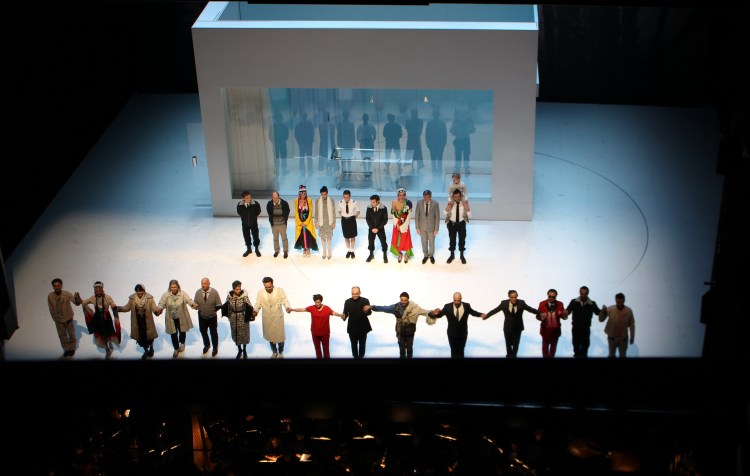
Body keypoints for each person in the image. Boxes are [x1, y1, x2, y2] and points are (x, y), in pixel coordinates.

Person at [366, 292, 436, 359]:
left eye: (405, 300)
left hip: (410, 332)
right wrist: (371, 307)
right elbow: (384, 308)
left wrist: (433, 313)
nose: (403, 302)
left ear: (408, 299)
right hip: (400, 332)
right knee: (402, 350)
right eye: (402, 300)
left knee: (409, 349)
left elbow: (426, 312)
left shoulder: (415, 308)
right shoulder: (396, 307)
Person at [483, 290, 540, 358]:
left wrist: (540, 313)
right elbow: (495, 310)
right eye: (512, 297)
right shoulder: (504, 303)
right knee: (508, 345)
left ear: (517, 296)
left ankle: (514, 356)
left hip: (518, 327)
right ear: (509, 297)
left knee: (515, 345)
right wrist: (487, 316)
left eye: (515, 297)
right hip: (507, 327)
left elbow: (531, 309)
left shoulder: (521, 303)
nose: (514, 299)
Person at [288, 294, 345, 359]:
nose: (317, 304)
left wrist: (340, 315)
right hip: (315, 333)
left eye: (318, 302)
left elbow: (333, 313)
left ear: (321, 301)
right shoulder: (312, 308)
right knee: (317, 350)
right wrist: (292, 309)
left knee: (326, 350)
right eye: (315, 302)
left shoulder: (327, 308)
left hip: (325, 334)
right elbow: (302, 309)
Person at [430, 292, 485, 359]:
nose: (456, 302)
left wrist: (481, 314)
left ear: (461, 299)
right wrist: (434, 314)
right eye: (455, 300)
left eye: (458, 300)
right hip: (451, 334)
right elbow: (440, 315)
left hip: (463, 334)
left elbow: (473, 312)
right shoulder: (447, 307)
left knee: (461, 351)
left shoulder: (466, 306)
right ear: (453, 299)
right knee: (453, 352)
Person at [76, 281, 120, 359]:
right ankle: (107, 350)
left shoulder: (107, 297)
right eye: (96, 289)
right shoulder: (93, 298)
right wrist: (79, 299)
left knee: (108, 331)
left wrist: (113, 305)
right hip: (98, 319)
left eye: (99, 289)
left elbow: (112, 303)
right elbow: (84, 302)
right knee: (101, 333)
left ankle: (110, 343)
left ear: (102, 289)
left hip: (106, 318)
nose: (98, 291)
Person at [253, 276, 292, 359]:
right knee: (270, 336)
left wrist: (287, 307)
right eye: (266, 287)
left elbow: (284, 300)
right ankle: (274, 352)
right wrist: (255, 310)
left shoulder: (279, 291)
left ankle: (280, 352)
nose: (268, 289)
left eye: (269, 287)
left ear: (272, 284)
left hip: (277, 317)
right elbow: (258, 303)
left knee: (280, 337)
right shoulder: (260, 292)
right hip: (267, 318)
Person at [117, 283, 158, 360]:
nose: (139, 293)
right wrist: (118, 308)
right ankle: (146, 351)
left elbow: (154, 307)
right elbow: (127, 308)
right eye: (137, 291)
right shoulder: (132, 299)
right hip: (137, 323)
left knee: (150, 337)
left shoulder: (149, 298)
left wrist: (157, 310)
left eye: (140, 291)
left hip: (147, 322)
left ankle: (151, 348)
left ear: (143, 291)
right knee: (141, 338)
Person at [156, 279, 195, 358]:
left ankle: (182, 343)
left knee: (182, 331)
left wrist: (193, 304)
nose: (173, 289)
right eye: (172, 287)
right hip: (171, 318)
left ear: (178, 287)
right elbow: (161, 303)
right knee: (173, 333)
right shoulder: (166, 295)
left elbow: (188, 300)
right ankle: (176, 348)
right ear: (169, 287)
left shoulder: (182, 294)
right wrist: (159, 308)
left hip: (181, 317)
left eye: (175, 287)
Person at [47, 278, 79, 358]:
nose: (57, 287)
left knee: (71, 334)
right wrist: (55, 319)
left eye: (58, 285)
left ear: (61, 286)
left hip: (68, 319)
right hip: (58, 321)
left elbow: (76, 303)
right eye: (55, 286)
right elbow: (51, 308)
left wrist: (77, 299)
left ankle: (72, 348)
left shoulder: (67, 294)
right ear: (53, 287)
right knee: (62, 336)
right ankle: (66, 349)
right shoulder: (50, 296)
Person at [565, 286, 600, 358]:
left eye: (585, 294)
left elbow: (598, 312)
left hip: (586, 329)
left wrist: (604, 311)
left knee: (585, 347)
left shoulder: (592, 304)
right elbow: (568, 310)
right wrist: (565, 312)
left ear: (587, 294)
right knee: (576, 347)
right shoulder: (574, 302)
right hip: (576, 329)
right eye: (582, 294)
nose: (583, 295)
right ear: (579, 293)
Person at [598, 292, 635, 358]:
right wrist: (603, 312)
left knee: (623, 355)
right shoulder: (610, 310)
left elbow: (632, 325)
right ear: (615, 300)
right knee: (611, 355)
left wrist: (632, 337)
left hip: (623, 339)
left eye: (621, 302)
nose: (619, 304)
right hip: (612, 338)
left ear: (624, 300)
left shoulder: (628, 311)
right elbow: (601, 320)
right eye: (618, 302)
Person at [194, 277, 223, 357]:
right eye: (202, 283)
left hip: (212, 317)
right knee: (203, 332)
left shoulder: (214, 292)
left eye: (205, 283)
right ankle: (207, 345)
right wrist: (195, 306)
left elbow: (219, 304)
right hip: (201, 317)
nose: (203, 285)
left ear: (209, 284)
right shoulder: (198, 292)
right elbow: (195, 303)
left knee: (213, 333)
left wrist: (214, 309)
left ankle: (215, 348)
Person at [341, 286, 373, 359]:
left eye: (356, 293)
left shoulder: (365, 300)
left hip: (363, 327)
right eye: (353, 294)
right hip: (352, 327)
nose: (354, 295)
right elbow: (345, 313)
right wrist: (343, 316)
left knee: (362, 345)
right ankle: (355, 358)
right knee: (353, 345)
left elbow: (369, 313)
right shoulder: (347, 302)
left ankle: (361, 358)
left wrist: (366, 311)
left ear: (360, 293)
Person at [224, 279, 253, 359]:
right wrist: (229, 316)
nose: (239, 290)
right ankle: (239, 350)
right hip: (234, 318)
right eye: (237, 289)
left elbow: (249, 305)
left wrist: (250, 313)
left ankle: (244, 349)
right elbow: (227, 306)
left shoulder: (244, 296)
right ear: (233, 289)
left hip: (243, 318)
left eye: (239, 288)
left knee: (244, 334)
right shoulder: (229, 297)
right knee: (236, 334)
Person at [537, 289, 568, 358]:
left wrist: (564, 315)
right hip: (545, 331)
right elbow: (537, 316)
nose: (551, 298)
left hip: (555, 331)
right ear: (547, 295)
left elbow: (563, 317)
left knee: (553, 351)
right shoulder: (542, 304)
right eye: (550, 296)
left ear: (556, 296)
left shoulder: (560, 304)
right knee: (545, 350)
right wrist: (542, 317)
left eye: (553, 297)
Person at [414, 189, 440, 264]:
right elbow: (416, 216)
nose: (426, 199)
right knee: (424, 242)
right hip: (422, 227)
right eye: (424, 197)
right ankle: (425, 255)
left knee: (431, 243)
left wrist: (436, 229)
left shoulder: (435, 204)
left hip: (431, 228)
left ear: (430, 197)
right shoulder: (419, 203)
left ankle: (431, 255)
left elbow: (437, 217)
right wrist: (417, 228)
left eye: (427, 197)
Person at [445, 188, 469, 264]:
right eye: (455, 197)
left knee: (462, 240)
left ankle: (462, 256)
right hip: (452, 224)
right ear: (453, 197)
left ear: (460, 196)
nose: (457, 198)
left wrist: (467, 208)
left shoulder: (464, 204)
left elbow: (469, 215)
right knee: (452, 240)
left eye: (458, 196)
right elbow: (444, 213)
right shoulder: (451, 203)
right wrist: (447, 208)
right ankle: (452, 255)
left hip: (461, 224)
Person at [390, 187, 414, 263]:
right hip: (397, 224)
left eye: (403, 195)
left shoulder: (409, 203)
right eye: (400, 195)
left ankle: (407, 254)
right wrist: (397, 224)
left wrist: (404, 226)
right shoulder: (394, 202)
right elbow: (393, 215)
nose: (401, 196)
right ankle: (399, 253)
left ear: (405, 195)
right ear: (398, 195)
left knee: (406, 239)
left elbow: (409, 216)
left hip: (405, 223)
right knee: (397, 239)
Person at [293, 185, 318, 257]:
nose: (303, 195)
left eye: (304, 193)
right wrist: (300, 222)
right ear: (299, 193)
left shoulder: (309, 200)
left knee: (308, 235)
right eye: (301, 193)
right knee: (301, 235)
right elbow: (296, 212)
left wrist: (306, 222)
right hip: (300, 222)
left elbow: (310, 212)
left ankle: (308, 249)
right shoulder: (296, 201)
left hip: (308, 222)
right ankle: (304, 248)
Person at [450, 108, 475, 174]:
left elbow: (451, 130)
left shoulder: (456, 122)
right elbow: (473, 130)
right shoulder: (468, 122)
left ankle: (457, 169)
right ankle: (466, 169)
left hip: (458, 139)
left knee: (458, 155)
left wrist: (455, 132)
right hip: (466, 139)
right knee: (466, 155)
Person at [266, 190, 290, 258]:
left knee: (284, 238)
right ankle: (276, 250)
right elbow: (269, 212)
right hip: (274, 225)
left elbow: (287, 211)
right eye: (274, 198)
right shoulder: (269, 204)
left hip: (282, 224)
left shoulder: (284, 203)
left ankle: (285, 251)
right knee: (275, 238)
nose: (275, 199)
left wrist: (284, 220)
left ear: (279, 196)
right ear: (272, 198)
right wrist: (272, 221)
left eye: (276, 197)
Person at [365, 194, 389, 263]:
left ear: (378, 201)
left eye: (373, 202)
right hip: (371, 228)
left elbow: (385, 220)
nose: (372, 204)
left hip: (380, 228)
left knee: (383, 242)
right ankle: (371, 254)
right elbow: (367, 218)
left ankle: (385, 255)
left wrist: (378, 228)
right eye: (371, 202)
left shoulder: (384, 208)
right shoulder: (369, 208)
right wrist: (372, 228)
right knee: (370, 241)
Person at [238, 190, 262, 257]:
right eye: (247, 198)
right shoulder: (240, 205)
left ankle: (256, 249)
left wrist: (254, 217)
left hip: (253, 223)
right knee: (246, 236)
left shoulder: (255, 204)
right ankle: (249, 249)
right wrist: (245, 218)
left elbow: (258, 211)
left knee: (255, 236)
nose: (249, 199)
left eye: (250, 197)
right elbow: (239, 212)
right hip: (245, 224)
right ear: (243, 199)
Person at [338, 189, 360, 259]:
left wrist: (354, 217)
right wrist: (344, 216)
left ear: (350, 196)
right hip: (344, 220)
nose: (346, 199)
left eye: (347, 197)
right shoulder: (340, 202)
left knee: (352, 236)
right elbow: (339, 211)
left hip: (352, 220)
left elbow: (358, 211)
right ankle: (348, 250)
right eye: (344, 197)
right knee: (346, 236)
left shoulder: (354, 202)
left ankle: (352, 251)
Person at [425, 107, 447, 174]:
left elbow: (427, 134)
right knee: (440, 158)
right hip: (440, 143)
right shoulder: (442, 123)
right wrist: (444, 143)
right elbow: (445, 134)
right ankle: (439, 170)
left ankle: (434, 171)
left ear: (433, 114)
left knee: (433, 158)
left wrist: (427, 143)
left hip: (432, 144)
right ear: (439, 114)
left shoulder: (429, 123)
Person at [404, 107, 424, 172]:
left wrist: (413, 132)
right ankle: (412, 166)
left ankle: (417, 166)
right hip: (413, 139)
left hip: (413, 139)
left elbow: (419, 130)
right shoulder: (410, 121)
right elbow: (408, 130)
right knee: (413, 153)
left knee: (416, 153)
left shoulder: (411, 121)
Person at [336, 110, 356, 174]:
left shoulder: (350, 124)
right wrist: (339, 142)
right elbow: (338, 134)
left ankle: (348, 169)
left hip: (347, 143)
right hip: (344, 143)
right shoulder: (341, 124)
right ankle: (345, 170)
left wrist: (353, 143)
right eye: (345, 115)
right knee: (344, 157)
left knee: (348, 157)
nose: (346, 116)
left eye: (346, 115)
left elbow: (353, 135)